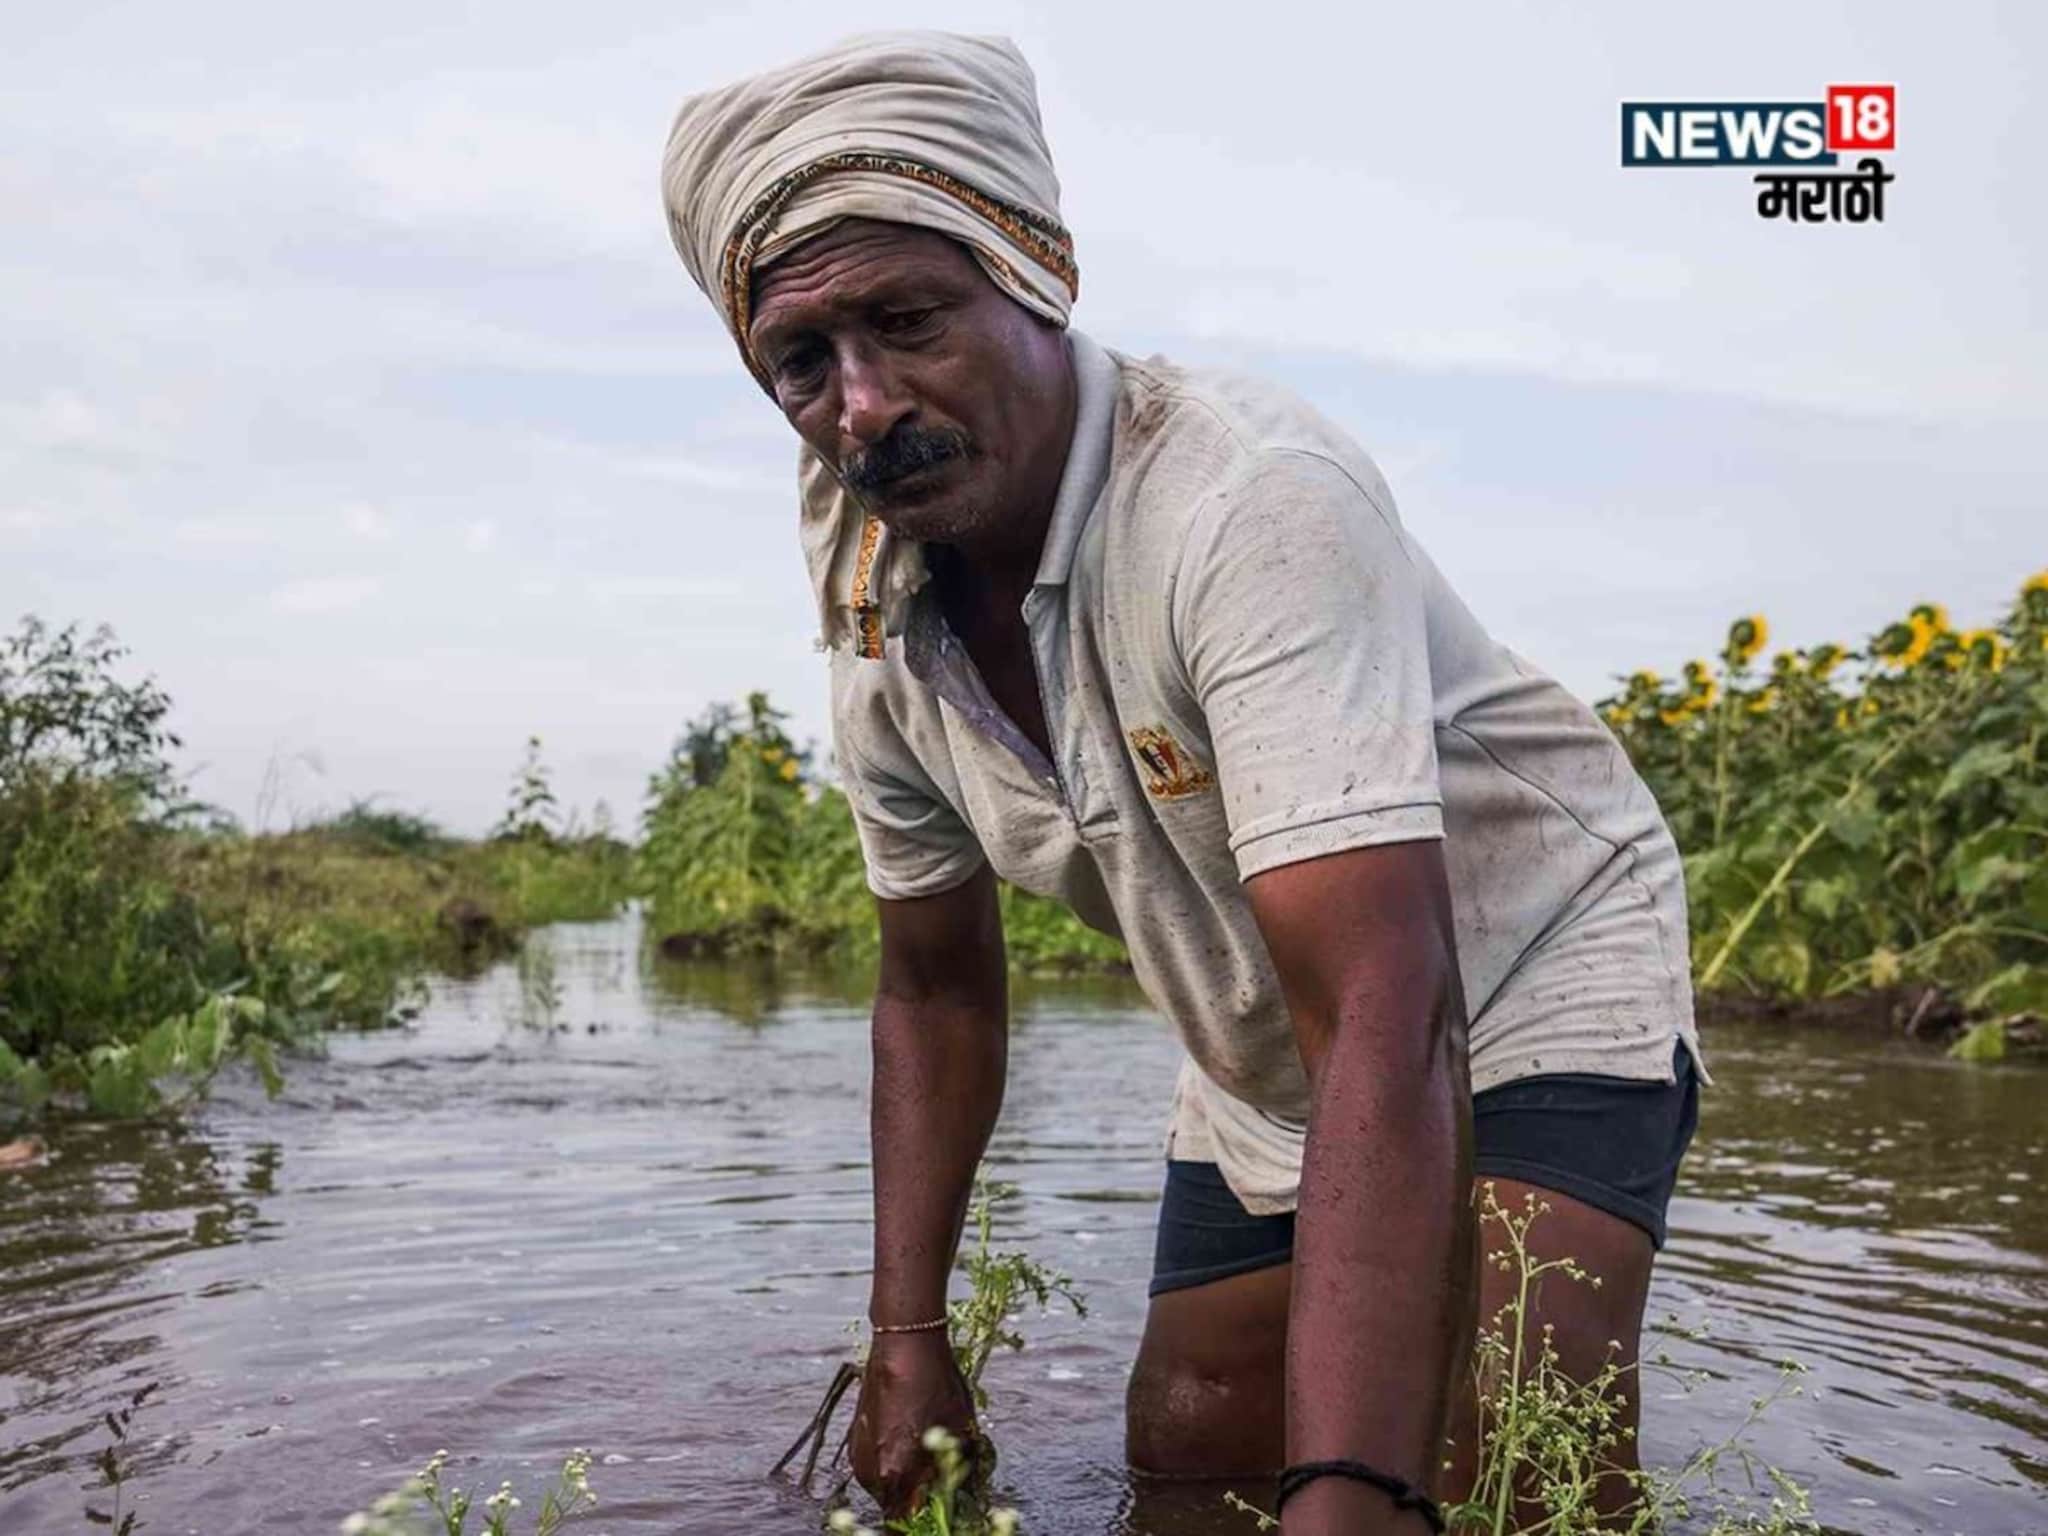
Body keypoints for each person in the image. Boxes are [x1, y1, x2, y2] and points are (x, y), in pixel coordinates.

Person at [662, 32, 1704, 1535]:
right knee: (1193, 1459)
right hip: (1272, 1036)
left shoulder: (1243, 505)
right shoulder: (878, 618)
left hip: (1522, 965)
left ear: (1032, 277)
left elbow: (1389, 1008)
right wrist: (907, 1345)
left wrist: (1356, 1492)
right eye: (803, 362)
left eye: (908, 320)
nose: (863, 405)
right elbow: (936, 992)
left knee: (1501, 1467)